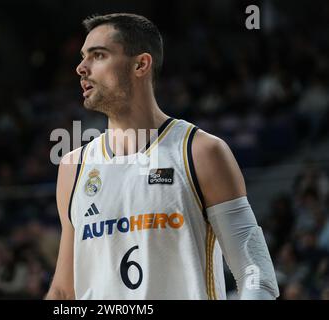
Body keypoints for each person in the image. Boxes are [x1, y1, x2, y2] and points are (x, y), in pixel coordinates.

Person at [45, 13, 279, 300]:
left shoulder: (201, 152)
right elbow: (63, 291)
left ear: (140, 64)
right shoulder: (73, 166)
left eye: (98, 55)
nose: (81, 67)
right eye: (83, 57)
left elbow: (256, 272)